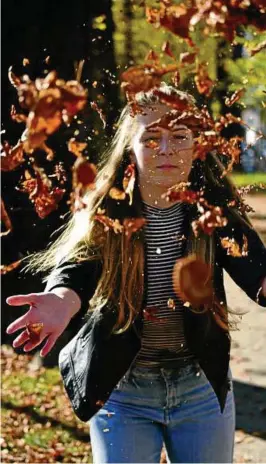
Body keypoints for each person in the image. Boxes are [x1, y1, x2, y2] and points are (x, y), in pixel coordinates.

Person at [6, 84, 266, 463]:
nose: (166, 149)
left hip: (200, 390)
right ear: (131, 146)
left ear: (198, 144)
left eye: (179, 136)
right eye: (152, 138)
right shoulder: (108, 212)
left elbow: (255, 268)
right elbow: (77, 268)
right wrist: (61, 299)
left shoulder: (215, 212)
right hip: (122, 390)